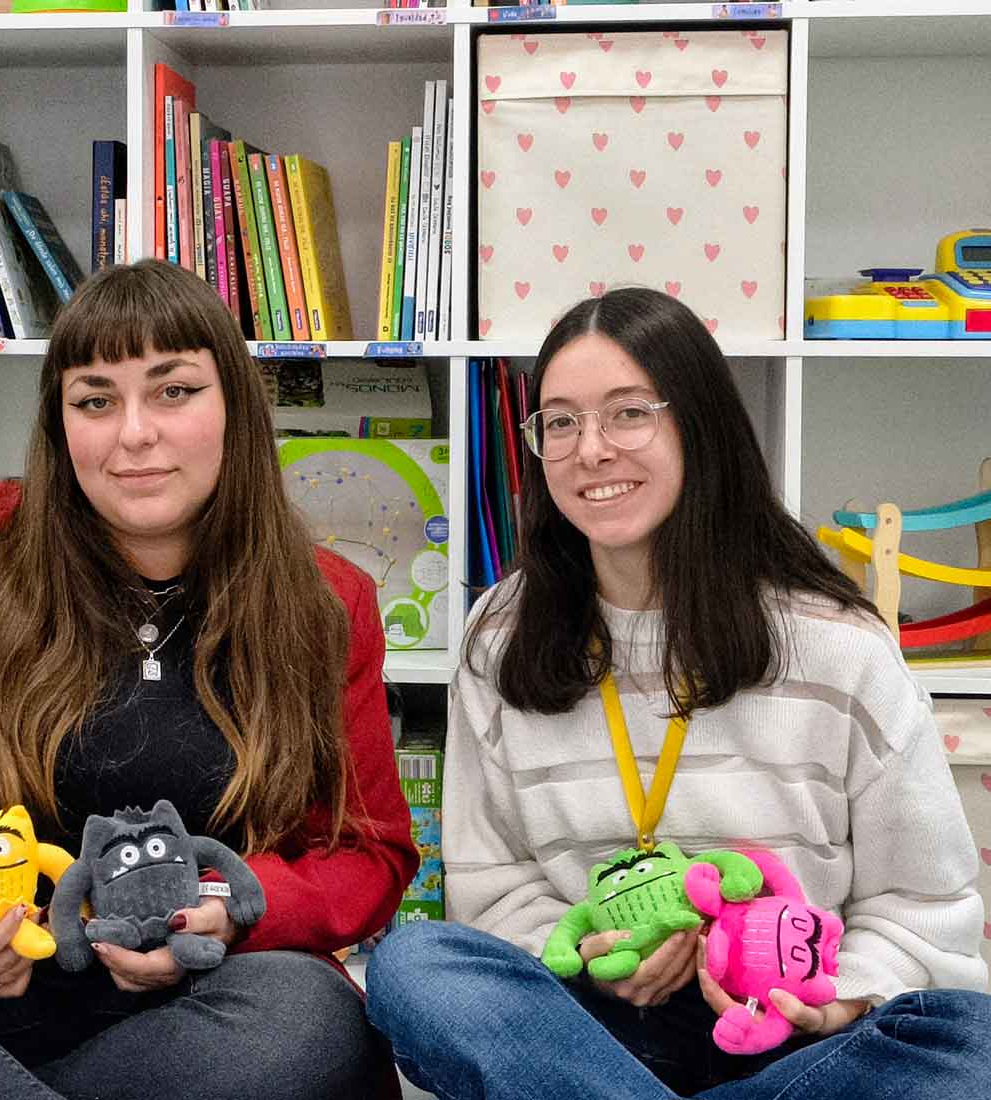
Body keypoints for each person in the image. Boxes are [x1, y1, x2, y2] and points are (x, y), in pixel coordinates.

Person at [0, 259, 418, 1099]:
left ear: (235, 406)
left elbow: (369, 847)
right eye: (95, 400)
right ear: (60, 425)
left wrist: (232, 909)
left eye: (174, 391)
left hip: (190, 1005)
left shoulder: (327, 599)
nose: (134, 432)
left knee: (311, 1018)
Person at [365, 287, 991, 1098]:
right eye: (559, 421)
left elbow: (921, 903)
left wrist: (829, 1003)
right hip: (586, 1032)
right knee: (415, 964)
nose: (590, 449)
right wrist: (591, 957)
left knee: (963, 1041)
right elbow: (494, 891)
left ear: (699, 423)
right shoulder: (501, 635)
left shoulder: (837, 642)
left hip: (797, 1039)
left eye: (629, 413)